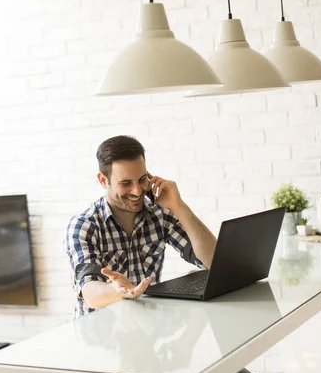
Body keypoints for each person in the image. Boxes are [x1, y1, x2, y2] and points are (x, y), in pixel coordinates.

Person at [63, 135, 217, 318]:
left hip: (146, 328)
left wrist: (179, 206)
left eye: (142, 179)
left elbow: (212, 261)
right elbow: (89, 292)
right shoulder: (84, 225)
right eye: (126, 183)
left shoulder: (160, 215)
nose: (137, 191)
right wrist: (117, 291)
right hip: (101, 338)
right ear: (103, 180)